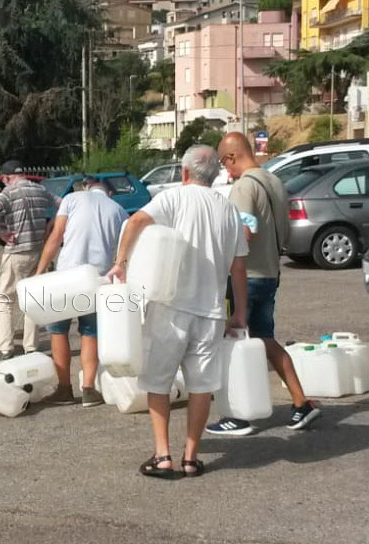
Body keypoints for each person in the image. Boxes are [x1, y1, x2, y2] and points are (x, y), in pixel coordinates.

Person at [107, 145, 249, 478]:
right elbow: (238, 268)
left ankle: (162, 455)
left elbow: (136, 221)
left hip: (170, 306)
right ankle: (191, 458)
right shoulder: (229, 210)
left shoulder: (175, 198)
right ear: (215, 175)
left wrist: (121, 263)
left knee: (158, 381)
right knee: (202, 386)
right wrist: (239, 312)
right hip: (211, 311)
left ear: (185, 173)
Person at [207, 132, 321, 434]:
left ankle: (238, 414)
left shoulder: (244, 187)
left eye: (224, 163)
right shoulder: (274, 181)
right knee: (266, 340)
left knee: (235, 344)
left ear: (231, 157)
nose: (225, 170)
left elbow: (242, 235)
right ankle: (300, 402)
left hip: (247, 277)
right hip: (270, 272)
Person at [35, 177, 127, 406]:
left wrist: (40, 270)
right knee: (90, 332)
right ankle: (88, 389)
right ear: (109, 193)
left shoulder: (71, 199)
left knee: (58, 330)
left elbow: (56, 236)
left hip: (65, 276)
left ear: (87, 187)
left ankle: (64, 389)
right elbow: (124, 250)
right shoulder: (118, 210)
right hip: (96, 279)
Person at [0, 160, 55, 363]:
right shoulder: (40, 189)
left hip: (16, 252)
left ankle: (5, 348)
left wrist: (1, 233)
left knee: (5, 299)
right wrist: (49, 229)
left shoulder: (9, 192)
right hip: (38, 252)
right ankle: (31, 348)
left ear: (6, 178)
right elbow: (62, 205)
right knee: (31, 300)